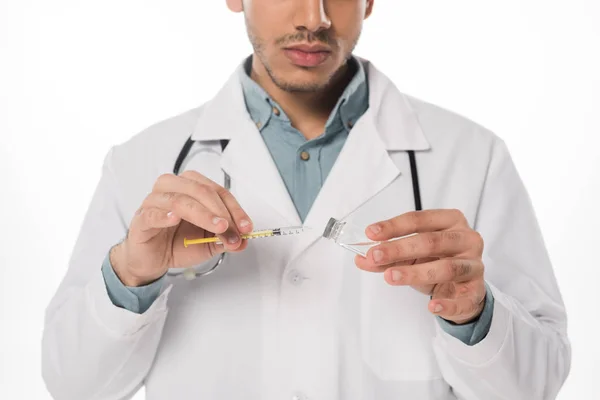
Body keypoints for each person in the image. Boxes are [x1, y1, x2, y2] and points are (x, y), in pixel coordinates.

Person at [41, 1, 571, 399]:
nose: (314, 17)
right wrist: (131, 278)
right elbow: (74, 384)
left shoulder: (472, 157)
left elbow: (536, 386)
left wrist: (474, 316)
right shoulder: (143, 161)